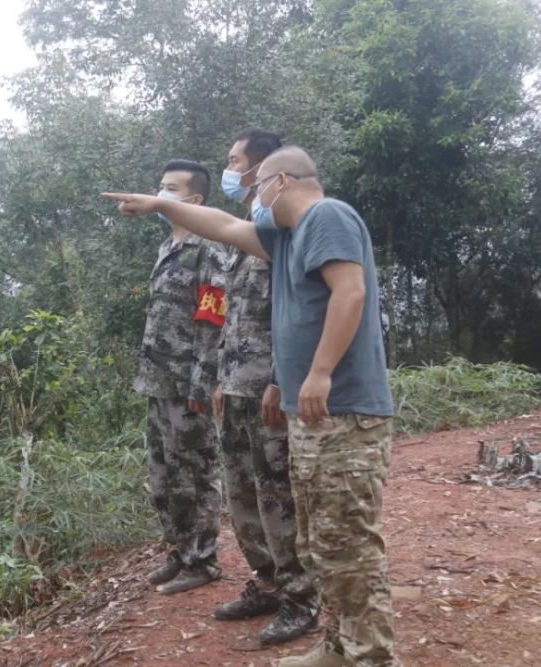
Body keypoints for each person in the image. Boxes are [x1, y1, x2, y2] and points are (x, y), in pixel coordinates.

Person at [103, 146, 399, 667]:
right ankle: (339, 645)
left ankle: (372, 656)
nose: (252, 195)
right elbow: (219, 223)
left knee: (348, 542)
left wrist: (321, 371)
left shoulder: (326, 216)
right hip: (313, 413)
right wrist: (160, 204)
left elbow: (349, 293)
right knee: (320, 541)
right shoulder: (283, 240)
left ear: (281, 181)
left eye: (258, 184)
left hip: (346, 408)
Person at [212, 129, 319, 646]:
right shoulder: (248, 228)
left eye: (234, 161)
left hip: (269, 389)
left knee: (278, 494)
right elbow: (232, 317)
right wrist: (218, 378)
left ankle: (302, 596)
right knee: (242, 493)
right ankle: (268, 582)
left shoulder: (283, 229)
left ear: (260, 168)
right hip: (235, 385)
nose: (228, 170)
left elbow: (293, 312)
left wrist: (280, 380)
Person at [137, 159, 227, 595]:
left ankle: (204, 560)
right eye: (159, 185)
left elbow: (212, 318)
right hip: (158, 381)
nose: (159, 194)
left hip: (189, 382)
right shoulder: (166, 248)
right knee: (163, 476)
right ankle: (180, 550)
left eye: (170, 188)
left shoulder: (208, 246)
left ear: (194, 200)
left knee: (196, 473)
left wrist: (203, 382)